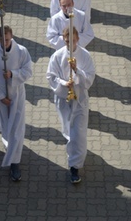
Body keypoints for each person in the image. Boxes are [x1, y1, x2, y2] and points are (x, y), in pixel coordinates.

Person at [46, 26, 95, 184]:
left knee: (78, 134)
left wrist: (77, 71)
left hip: (79, 100)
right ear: (64, 40)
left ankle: (74, 166)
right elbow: (51, 76)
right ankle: (73, 151)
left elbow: (89, 78)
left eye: (72, 41)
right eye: (67, 42)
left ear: (77, 39)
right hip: (64, 99)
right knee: (68, 131)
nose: (70, 44)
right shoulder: (57, 56)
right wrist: (63, 82)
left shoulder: (85, 56)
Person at [0, 25, 32, 181]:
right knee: (7, 128)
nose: (5, 42)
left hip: (17, 95)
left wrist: (13, 74)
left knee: (17, 129)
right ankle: (10, 149)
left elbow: (28, 71)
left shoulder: (22, 51)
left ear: (11, 37)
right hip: (1, 98)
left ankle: (15, 163)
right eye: (2, 39)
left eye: (7, 39)